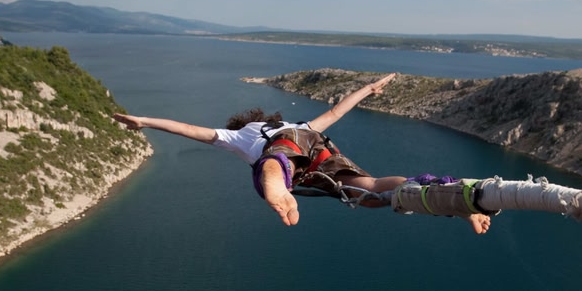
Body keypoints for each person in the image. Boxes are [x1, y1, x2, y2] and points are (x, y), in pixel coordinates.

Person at [113, 73, 491, 234]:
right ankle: (450, 199)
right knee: (373, 192)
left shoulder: (240, 134)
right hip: (315, 154)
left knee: (273, 160)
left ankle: (278, 189)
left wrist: (144, 120)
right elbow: (337, 111)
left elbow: (188, 129)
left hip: (289, 153)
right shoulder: (300, 123)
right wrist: (367, 90)